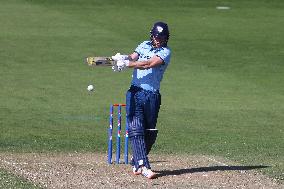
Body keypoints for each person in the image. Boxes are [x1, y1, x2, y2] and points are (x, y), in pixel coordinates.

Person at [111, 21, 171, 179]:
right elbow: (133, 56)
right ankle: (143, 165)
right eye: (157, 37)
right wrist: (123, 58)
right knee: (136, 127)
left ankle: (136, 160)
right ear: (152, 35)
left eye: (163, 37)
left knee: (149, 133)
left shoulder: (166, 52)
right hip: (135, 92)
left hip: (152, 95)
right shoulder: (144, 44)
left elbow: (148, 64)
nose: (159, 40)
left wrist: (128, 64)